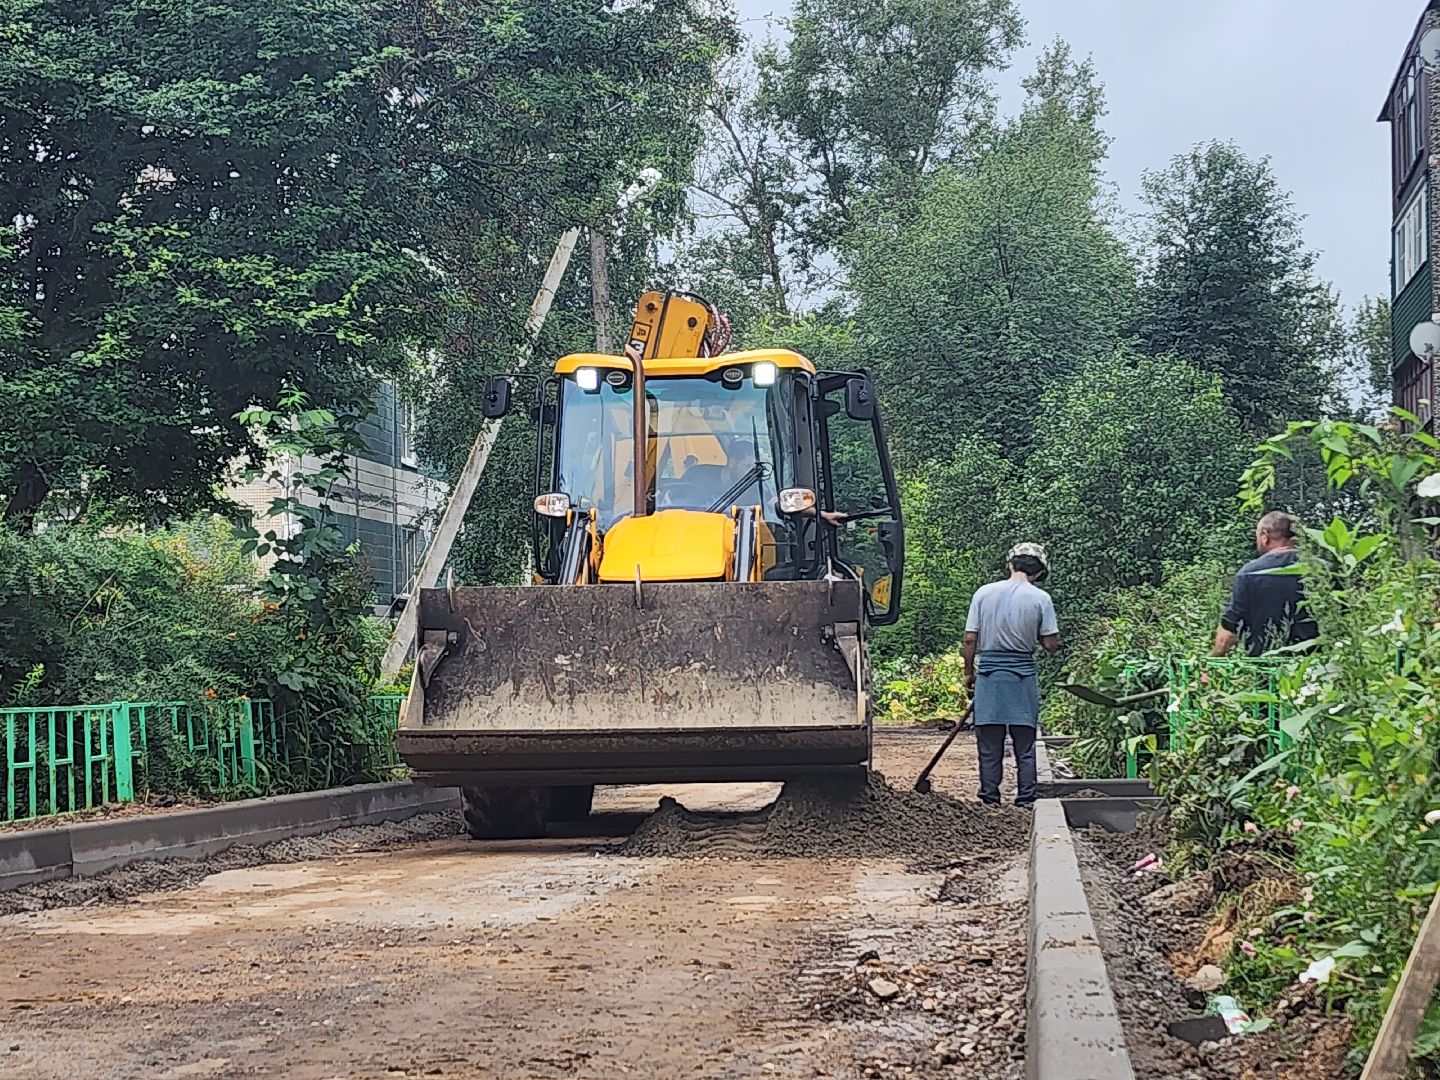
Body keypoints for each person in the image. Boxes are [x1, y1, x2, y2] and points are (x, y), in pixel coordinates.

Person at [962, 543, 1061, 808]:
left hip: (990, 674)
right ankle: (1026, 799)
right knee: (1025, 743)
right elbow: (1051, 644)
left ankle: (989, 798)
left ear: (1011, 564)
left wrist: (968, 674)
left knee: (989, 742)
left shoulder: (983, 593)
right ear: (1039, 571)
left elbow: (970, 639)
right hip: (1022, 674)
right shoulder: (1041, 599)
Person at [1211, 511, 1317, 657]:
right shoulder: (1322, 570)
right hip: (1318, 668)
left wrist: (1211, 664)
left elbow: (1229, 631)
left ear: (1264, 537)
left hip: (1266, 667)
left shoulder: (1249, 573)